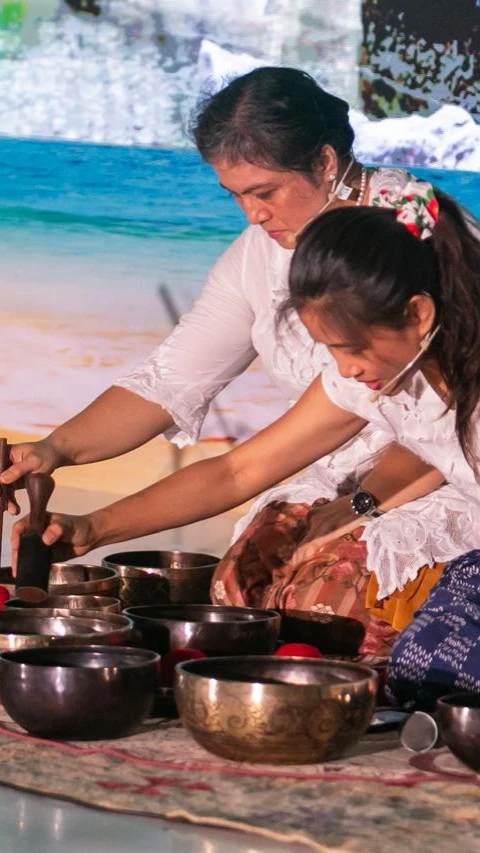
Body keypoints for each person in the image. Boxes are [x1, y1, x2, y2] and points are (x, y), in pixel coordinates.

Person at [11, 178, 480, 660]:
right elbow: (238, 471)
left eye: (353, 349)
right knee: (250, 582)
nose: (345, 370)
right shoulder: (373, 379)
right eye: (332, 351)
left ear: (419, 314)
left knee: (404, 648)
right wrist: (94, 528)